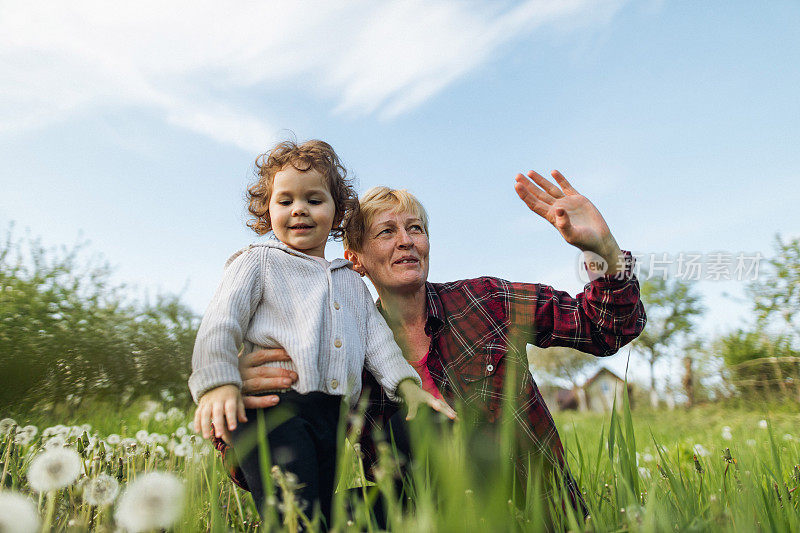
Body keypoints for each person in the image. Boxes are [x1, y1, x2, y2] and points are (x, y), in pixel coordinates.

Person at [217, 169, 646, 519]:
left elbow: (606, 328)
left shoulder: (487, 301)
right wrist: (246, 397)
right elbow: (274, 469)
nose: (406, 240)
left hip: (534, 516)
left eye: (415, 228)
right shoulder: (341, 356)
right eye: (386, 232)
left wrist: (604, 251)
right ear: (355, 258)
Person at [189, 139, 455, 528]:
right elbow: (220, 323)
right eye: (285, 201)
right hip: (273, 409)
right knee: (292, 512)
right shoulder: (257, 262)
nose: (299, 209)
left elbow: (379, 345)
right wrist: (218, 383)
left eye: (314, 200)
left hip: (331, 415)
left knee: (316, 512)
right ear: (267, 209)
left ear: (337, 213)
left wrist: (409, 387)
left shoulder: (350, 282)